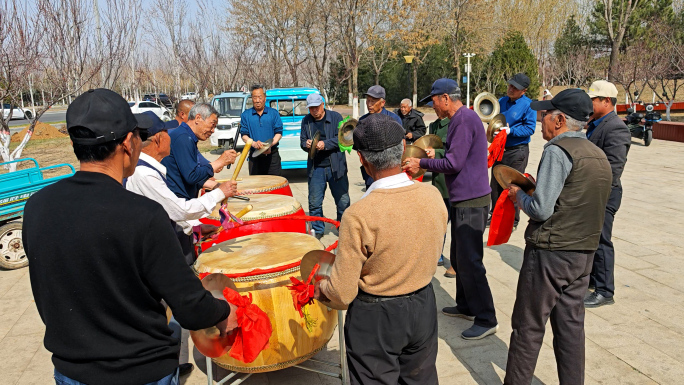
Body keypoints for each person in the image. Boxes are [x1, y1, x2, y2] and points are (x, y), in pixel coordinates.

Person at [23, 88, 237, 385]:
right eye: (139, 137)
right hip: (140, 370)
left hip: (71, 371)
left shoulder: (37, 206)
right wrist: (224, 310)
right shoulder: (144, 215)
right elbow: (189, 305)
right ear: (128, 143)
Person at [314, 113, 448, 385]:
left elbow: (342, 293)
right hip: (423, 304)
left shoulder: (359, 214)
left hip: (376, 316)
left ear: (362, 159)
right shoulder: (432, 196)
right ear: (402, 152)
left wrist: (321, 289)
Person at [503, 88, 612, 384]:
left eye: (545, 115)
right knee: (571, 327)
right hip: (583, 255)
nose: (541, 121)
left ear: (561, 120)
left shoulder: (557, 150)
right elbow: (575, 197)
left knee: (528, 327)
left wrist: (518, 196)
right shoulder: (598, 154)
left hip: (550, 254)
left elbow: (540, 209)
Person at [403, 78, 497, 340]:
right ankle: (466, 305)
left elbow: (454, 164)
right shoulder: (460, 119)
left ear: (445, 98)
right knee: (459, 256)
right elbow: (457, 155)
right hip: (463, 198)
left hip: (472, 199)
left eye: (433, 100)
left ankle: (487, 317)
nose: (432, 106)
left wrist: (422, 162)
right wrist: (437, 154)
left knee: (470, 261)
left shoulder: (464, 120)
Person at [126, 111, 239, 265]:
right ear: (158, 140)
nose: (170, 137)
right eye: (167, 132)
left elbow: (167, 214)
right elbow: (180, 211)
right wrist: (220, 192)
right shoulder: (144, 174)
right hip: (162, 256)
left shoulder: (146, 169)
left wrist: (194, 231)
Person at [584, 80, 631, 308]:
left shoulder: (616, 127)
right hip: (592, 192)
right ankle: (592, 281)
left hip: (604, 194)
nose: (589, 103)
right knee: (592, 238)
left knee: (602, 240)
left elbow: (614, 168)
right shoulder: (595, 122)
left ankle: (605, 290)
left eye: (593, 99)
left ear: (606, 101)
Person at [300, 93, 350, 239]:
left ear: (322, 104)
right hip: (316, 168)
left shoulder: (336, 117)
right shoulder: (306, 121)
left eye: (317, 107)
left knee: (343, 201)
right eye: (311, 108)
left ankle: (343, 228)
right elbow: (302, 141)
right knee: (314, 202)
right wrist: (306, 144)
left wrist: (325, 144)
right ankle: (318, 230)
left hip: (336, 166)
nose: (314, 110)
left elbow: (343, 139)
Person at [489, 73, 537, 228]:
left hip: (517, 150)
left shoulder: (529, 105)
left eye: (515, 88)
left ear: (524, 90)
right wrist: (495, 130)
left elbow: (530, 128)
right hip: (500, 148)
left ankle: (512, 220)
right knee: (495, 183)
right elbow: (494, 119)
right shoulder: (502, 101)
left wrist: (511, 131)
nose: (510, 89)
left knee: (513, 185)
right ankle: (494, 214)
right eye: (510, 85)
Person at [162, 103, 237, 200]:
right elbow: (191, 176)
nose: (213, 130)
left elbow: (185, 174)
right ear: (198, 118)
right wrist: (219, 162)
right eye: (212, 124)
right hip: (177, 201)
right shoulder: (183, 138)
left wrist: (214, 185)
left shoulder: (186, 136)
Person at [424, 102, 455, 276]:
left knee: (455, 224)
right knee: (439, 222)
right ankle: (438, 254)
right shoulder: (433, 125)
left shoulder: (453, 124)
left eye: (435, 106)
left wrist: (436, 153)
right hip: (438, 180)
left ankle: (456, 261)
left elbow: (453, 153)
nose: (434, 110)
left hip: (450, 182)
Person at [358, 85, 402, 189]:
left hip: (390, 172)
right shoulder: (362, 121)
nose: (369, 104)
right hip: (371, 173)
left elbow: (401, 145)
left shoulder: (393, 120)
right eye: (367, 101)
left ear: (382, 103)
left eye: (373, 101)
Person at [240, 84, 284, 175]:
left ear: (264, 97)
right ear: (251, 98)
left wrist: (269, 145)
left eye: (260, 97)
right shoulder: (246, 115)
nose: (257, 101)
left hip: (272, 157)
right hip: (255, 157)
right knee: (256, 186)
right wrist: (254, 144)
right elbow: (244, 135)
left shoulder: (273, 113)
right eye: (254, 97)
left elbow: (279, 132)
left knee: (274, 185)